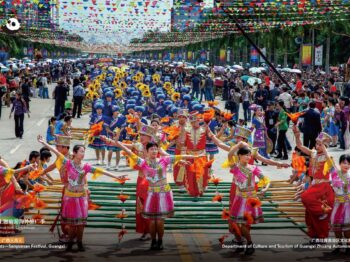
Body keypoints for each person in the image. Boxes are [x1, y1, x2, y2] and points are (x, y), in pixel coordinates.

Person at [36, 135, 125, 252]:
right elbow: (57, 153)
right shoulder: (67, 163)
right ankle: (70, 243)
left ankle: (80, 243)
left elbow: (101, 171)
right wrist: (44, 143)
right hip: (70, 197)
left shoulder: (86, 166)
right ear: (75, 152)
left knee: (81, 224)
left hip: (81, 198)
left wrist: (116, 176)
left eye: (84, 152)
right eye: (81, 151)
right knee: (72, 224)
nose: (83, 154)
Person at [112, 140, 197, 250]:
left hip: (163, 193)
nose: (154, 151)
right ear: (146, 151)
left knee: (160, 221)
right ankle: (153, 241)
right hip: (151, 193)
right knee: (152, 221)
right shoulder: (142, 162)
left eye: (156, 149)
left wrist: (195, 155)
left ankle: (160, 241)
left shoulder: (164, 160)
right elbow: (129, 152)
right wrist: (118, 143)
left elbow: (179, 156)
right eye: (151, 149)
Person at [293, 127, 335, 243]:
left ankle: (323, 215)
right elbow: (300, 146)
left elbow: (331, 166)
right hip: (314, 186)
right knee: (310, 214)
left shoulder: (328, 157)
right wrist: (297, 135)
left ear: (325, 146)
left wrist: (325, 148)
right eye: (317, 143)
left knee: (305, 197)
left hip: (323, 187)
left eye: (320, 144)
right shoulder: (313, 153)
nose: (317, 145)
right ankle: (315, 236)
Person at [227, 146, 270, 256]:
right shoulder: (235, 167)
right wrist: (238, 145)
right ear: (240, 156)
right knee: (235, 223)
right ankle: (241, 244)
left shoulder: (253, 168)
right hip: (239, 198)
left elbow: (265, 179)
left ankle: (249, 244)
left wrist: (264, 188)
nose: (248, 157)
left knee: (243, 224)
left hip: (250, 199)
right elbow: (229, 155)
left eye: (249, 155)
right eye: (246, 155)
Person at [329, 154, 350, 254]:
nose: (347, 165)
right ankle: (339, 246)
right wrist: (323, 145)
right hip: (337, 205)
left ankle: (348, 247)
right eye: (344, 163)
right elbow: (329, 158)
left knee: (347, 230)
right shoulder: (334, 173)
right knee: (337, 228)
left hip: (347, 206)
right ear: (340, 163)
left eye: (349, 163)